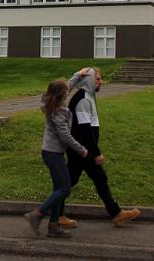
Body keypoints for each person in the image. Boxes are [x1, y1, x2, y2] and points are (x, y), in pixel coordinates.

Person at [58, 67, 141, 228]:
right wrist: (96, 153)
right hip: (81, 151)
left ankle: (115, 213)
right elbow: (85, 129)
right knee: (71, 181)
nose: (101, 82)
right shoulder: (82, 99)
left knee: (95, 179)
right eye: (98, 79)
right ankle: (52, 213)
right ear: (89, 80)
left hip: (83, 150)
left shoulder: (88, 97)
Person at [25, 79, 88, 238]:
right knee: (65, 188)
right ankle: (37, 214)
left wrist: (76, 76)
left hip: (49, 151)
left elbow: (62, 88)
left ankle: (53, 226)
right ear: (63, 95)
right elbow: (65, 136)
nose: (68, 91)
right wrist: (82, 150)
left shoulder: (46, 103)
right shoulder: (60, 112)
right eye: (66, 91)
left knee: (58, 189)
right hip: (54, 154)